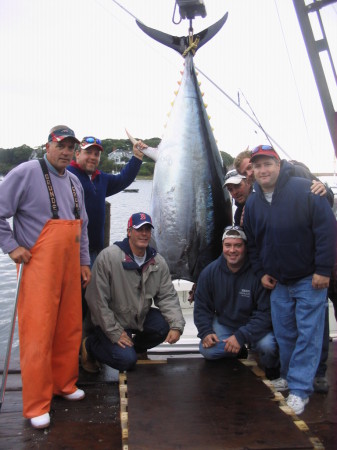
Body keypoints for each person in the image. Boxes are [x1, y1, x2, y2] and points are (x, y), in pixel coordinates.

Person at [0, 125, 91, 429]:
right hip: (37, 264)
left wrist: (83, 261)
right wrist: (11, 246)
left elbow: (83, 227)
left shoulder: (76, 182)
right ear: (47, 146)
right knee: (37, 333)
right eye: (61, 146)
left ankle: (64, 383)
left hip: (69, 264)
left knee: (68, 327)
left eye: (70, 147)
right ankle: (37, 403)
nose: (66, 152)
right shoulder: (26, 172)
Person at [243, 145, 336, 415]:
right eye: (258, 166)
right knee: (285, 334)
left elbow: (327, 231)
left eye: (268, 164)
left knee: (308, 335)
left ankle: (299, 390)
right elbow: (253, 245)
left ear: (279, 165)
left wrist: (323, 270)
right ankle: (287, 375)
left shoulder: (306, 189)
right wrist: (261, 273)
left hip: (310, 279)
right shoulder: (253, 201)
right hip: (279, 282)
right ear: (253, 170)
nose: (263, 170)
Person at [82, 212, 185, 372]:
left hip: (139, 317)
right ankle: (90, 345)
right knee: (126, 362)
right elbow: (97, 302)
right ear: (129, 231)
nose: (144, 234)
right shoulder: (108, 257)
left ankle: (135, 349)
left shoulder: (158, 261)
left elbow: (168, 297)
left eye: (147, 230)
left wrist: (176, 326)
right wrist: (115, 332)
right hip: (110, 321)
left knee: (163, 325)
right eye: (139, 229)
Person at [193, 226, 279, 378]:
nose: (232, 250)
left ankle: (272, 373)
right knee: (208, 351)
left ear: (245, 247)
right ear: (222, 246)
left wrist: (241, 336)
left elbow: (266, 314)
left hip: (254, 326)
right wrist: (206, 331)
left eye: (237, 245)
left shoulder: (258, 274)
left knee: (269, 347)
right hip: (225, 323)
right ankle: (238, 350)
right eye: (228, 245)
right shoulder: (209, 273)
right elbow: (201, 307)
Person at [67, 135, 146, 266]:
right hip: (73, 251)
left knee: (95, 286)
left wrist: (137, 157)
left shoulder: (101, 178)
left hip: (96, 251)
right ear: (77, 154)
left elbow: (123, 179)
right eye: (88, 152)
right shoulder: (67, 174)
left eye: (96, 154)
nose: (93, 157)